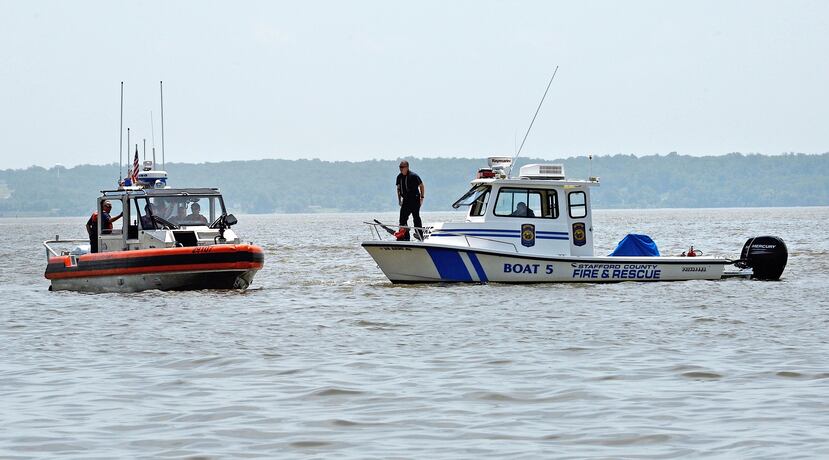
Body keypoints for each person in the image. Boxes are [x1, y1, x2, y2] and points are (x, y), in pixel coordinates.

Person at [396, 160, 425, 240]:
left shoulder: (414, 176)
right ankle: (404, 236)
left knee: (416, 217)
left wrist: (422, 198)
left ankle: (419, 235)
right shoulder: (399, 177)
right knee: (402, 218)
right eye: (400, 167)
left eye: (402, 167)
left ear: (407, 167)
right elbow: (398, 189)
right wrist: (399, 200)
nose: (401, 169)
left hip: (415, 200)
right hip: (405, 200)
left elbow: (421, 186)